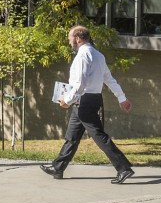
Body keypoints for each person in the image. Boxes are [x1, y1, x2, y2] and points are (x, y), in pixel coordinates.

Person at [41, 25, 135, 184]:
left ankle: (123, 168)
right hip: (91, 99)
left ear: (77, 38)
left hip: (84, 101)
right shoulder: (99, 55)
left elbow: (80, 84)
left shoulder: (82, 56)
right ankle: (58, 168)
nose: (69, 41)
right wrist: (122, 98)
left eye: (70, 38)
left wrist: (67, 101)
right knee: (72, 137)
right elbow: (109, 79)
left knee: (99, 136)